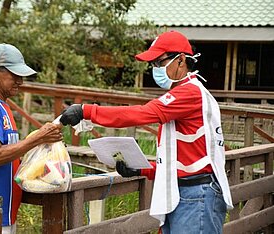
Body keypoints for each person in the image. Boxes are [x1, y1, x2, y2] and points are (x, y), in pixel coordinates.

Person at [60, 31, 233, 233]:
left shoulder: (190, 92)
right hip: (185, 192)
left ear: (181, 60)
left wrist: (87, 111)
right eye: (153, 64)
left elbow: (143, 113)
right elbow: (184, 159)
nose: (155, 69)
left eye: (160, 62)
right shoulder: (183, 92)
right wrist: (143, 169)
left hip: (196, 195)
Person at [0, 43, 63, 234]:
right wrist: (38, 137)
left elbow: (9, 153)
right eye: (14, 75)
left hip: (1, 212)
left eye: (21, 76)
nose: (20, 81)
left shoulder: (2, 106)